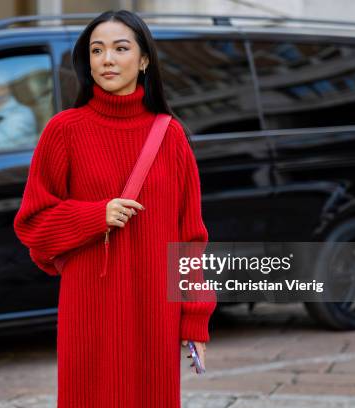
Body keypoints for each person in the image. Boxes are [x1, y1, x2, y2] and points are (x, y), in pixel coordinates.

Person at [13, 10, 216, 407]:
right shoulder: (64, 131)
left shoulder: (170, 135)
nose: (107, 59)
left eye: (120, 48)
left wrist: (195, 321)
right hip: (87, 310)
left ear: (143, 61)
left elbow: (190, 240)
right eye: (97, 50)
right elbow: (32, 224)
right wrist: (94, 216)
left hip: (154, 312)